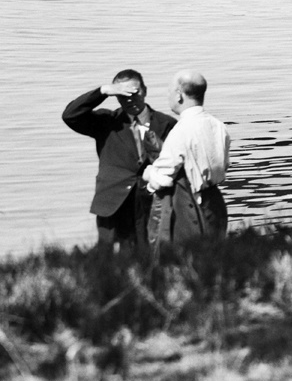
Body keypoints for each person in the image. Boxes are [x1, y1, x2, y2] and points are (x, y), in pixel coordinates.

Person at [63, 70, 177, 252]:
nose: (130, 99)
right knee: (108, 259)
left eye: (134, 93)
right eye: (123, 95)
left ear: (145, 91)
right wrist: (103, 91)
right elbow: (70, 115)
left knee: (149, 254)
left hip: (150, 202)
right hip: (112, 203)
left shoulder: (166, 123)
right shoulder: (106, 122)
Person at [144, 70, 230, 246]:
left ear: (179, 95)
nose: (168, 96)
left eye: (169, 91)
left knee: (190, 258)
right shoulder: (219, 126)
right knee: (216, 254)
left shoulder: (181, 130)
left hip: (189, 205)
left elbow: (163, 178)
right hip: (215, 201)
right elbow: (225, 165)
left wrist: (149, 174)